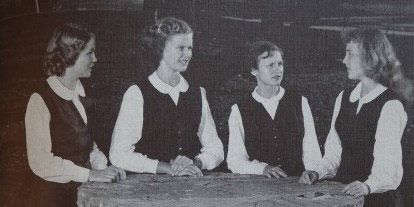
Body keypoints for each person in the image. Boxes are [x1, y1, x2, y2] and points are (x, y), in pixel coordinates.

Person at [299, 28, 407, 207]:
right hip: (342, 196)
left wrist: (367, 186)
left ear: (370, 57)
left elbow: (389, 169)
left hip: (377, 200)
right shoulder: (344, 97)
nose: (344, 60)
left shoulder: (390, 105)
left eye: (350, 54)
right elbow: (334, 152)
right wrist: (317, 172)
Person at [25, 23, 126, 207]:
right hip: (53, 199)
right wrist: (90, 174)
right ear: (70, 54)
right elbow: (40, 162)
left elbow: (89, 146)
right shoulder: (40, 100)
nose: (95, 59)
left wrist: (105, 168)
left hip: (82, 195)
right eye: (89, 53)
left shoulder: (80, 97)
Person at [110, 17, 224, 177]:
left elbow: (216, 148)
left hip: (190, 184)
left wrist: (195, 163)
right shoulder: (137, 93)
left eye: (190, 48)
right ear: (160, 48)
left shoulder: (197, 92)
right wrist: (165, 167)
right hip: (148, 189)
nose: (187, 54)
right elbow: (118, 154)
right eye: (181, 48)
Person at [226, 41, 322, 178]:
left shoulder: (300, 102)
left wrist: (312, 172)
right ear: (254, 70)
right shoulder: (239, 109)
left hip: (297, 184)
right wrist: (262, 168)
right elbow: (234, 160)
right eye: (270, 65)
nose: (277, 70)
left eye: (280, 64)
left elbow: (312, 151)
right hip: (259, 187)